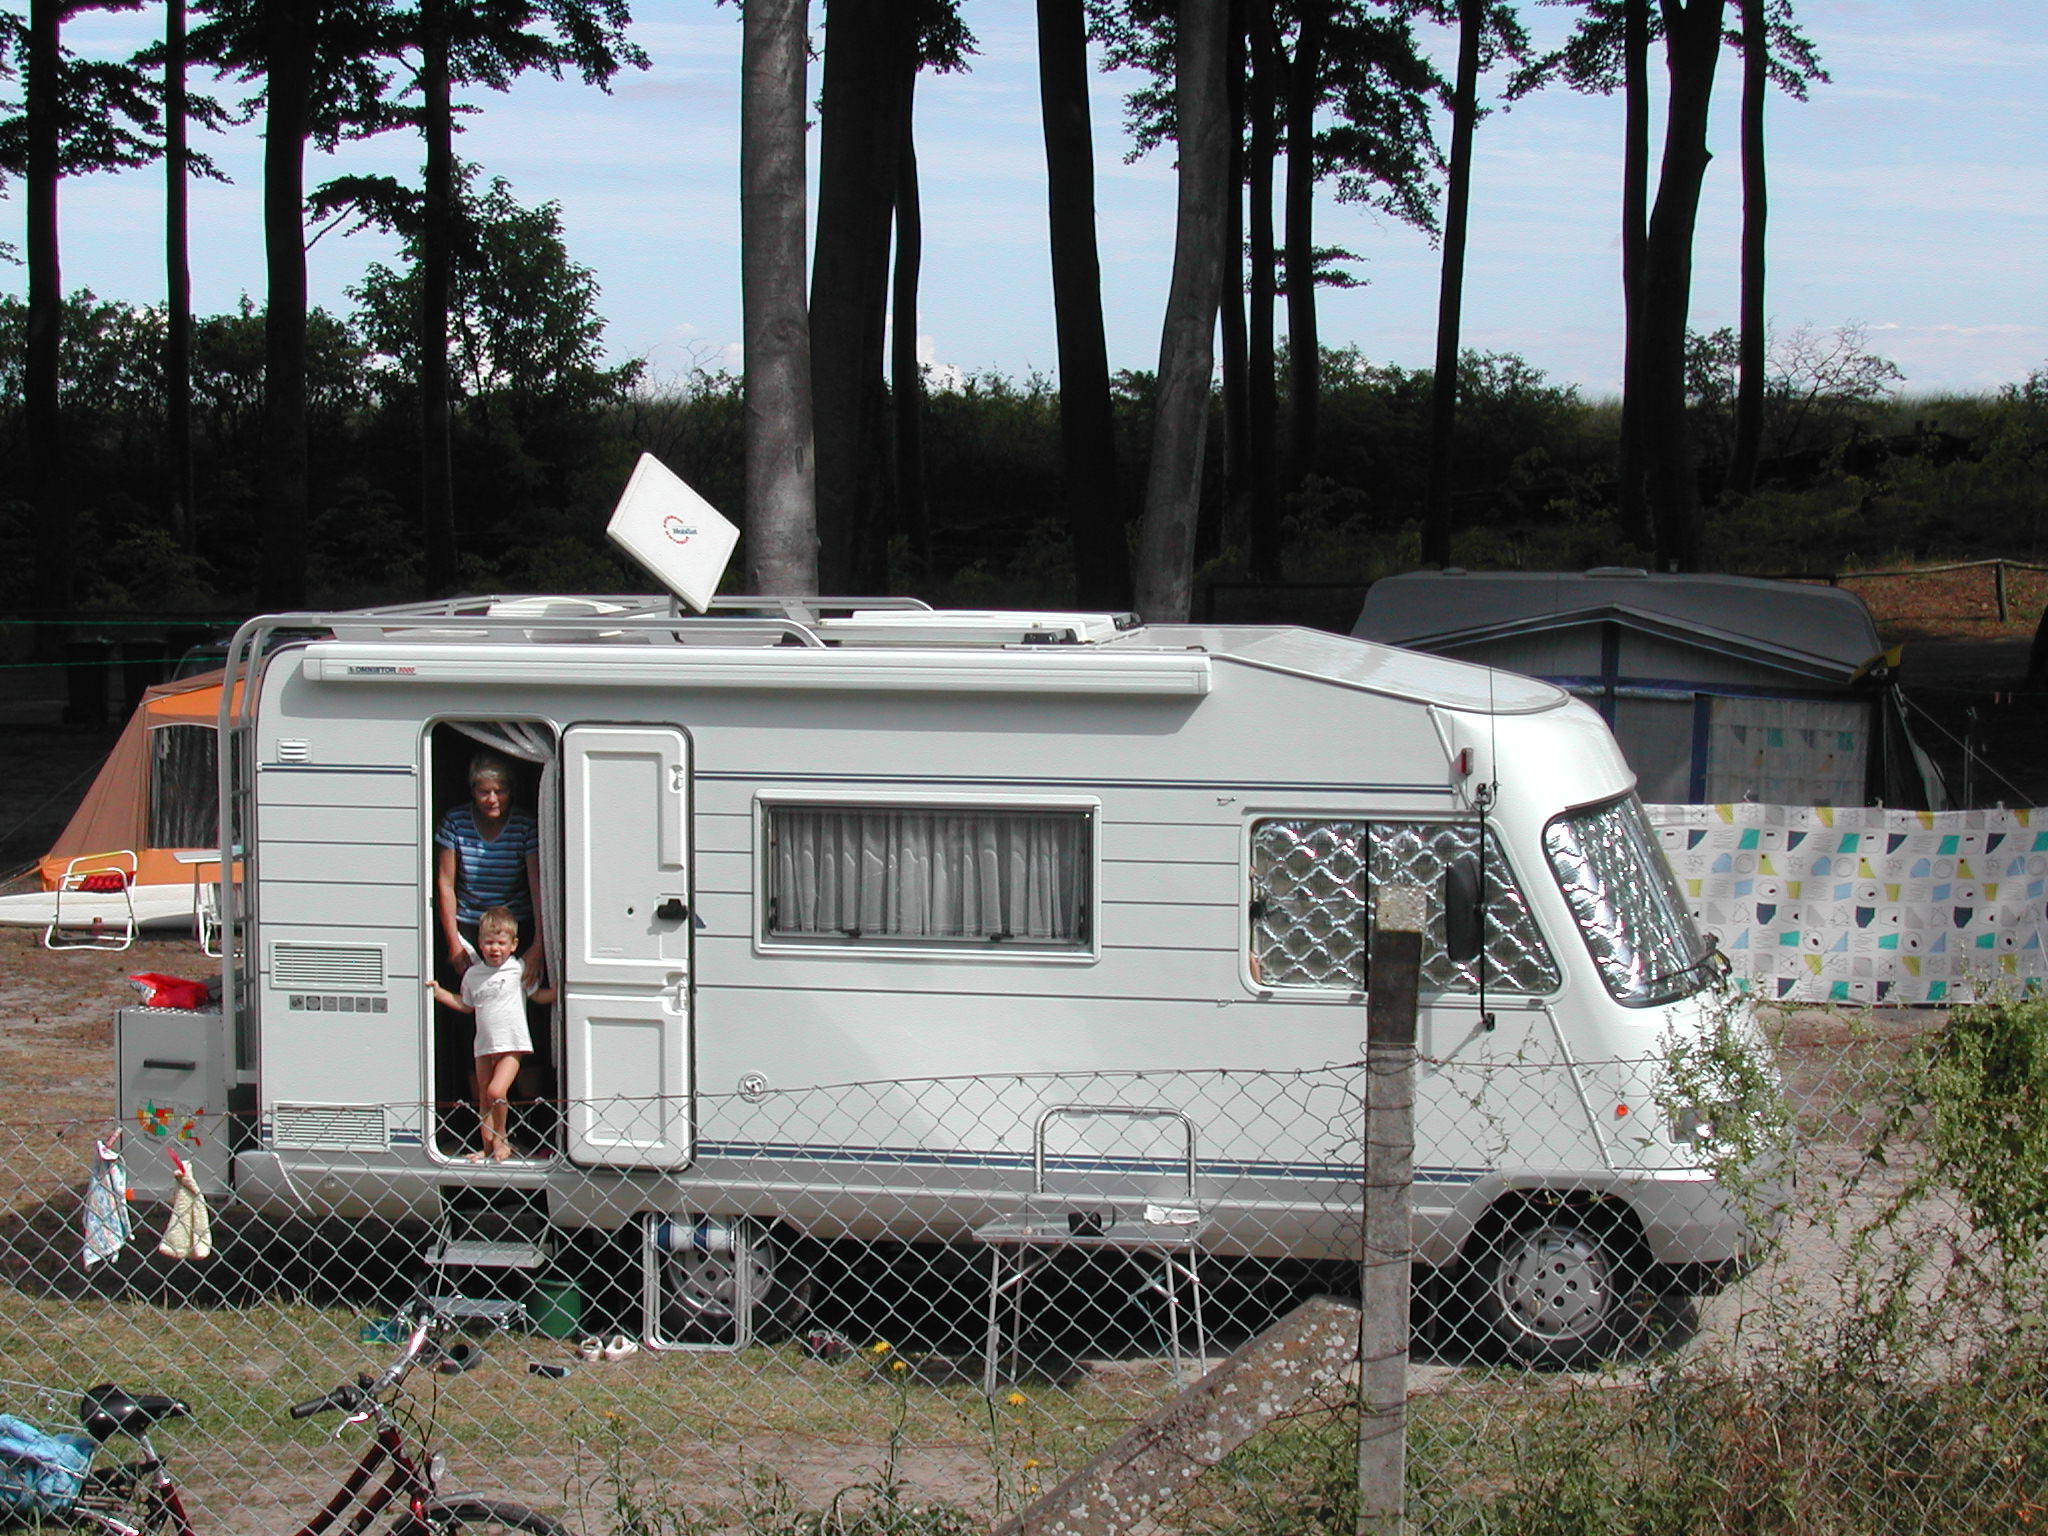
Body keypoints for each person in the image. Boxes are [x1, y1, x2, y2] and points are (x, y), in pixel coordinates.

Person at [426, 907, 556, 1162]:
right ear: (479, 943)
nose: (494, 948)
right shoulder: (473, 975)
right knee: (485, 1099)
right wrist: (440, 993)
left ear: (513, 944)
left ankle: (502, 1140)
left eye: (501, 943)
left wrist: (561, 991)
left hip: (512, 1044)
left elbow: (538, 995)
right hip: (483, 1045)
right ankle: (487, 1149)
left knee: (497, 1092)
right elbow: (466, 1005)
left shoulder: (518, 969)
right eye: (488, 943)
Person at [435, 751, 543, 983]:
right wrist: (453, 943)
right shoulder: (455, 822)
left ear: (510, 790)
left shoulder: (525, 826)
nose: (492, 799)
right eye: (484, 792)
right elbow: (445, 884)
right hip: (468, 927)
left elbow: (538, 887)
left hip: (513, 927)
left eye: (499, 791)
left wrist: (539, 945)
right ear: (472, 791)